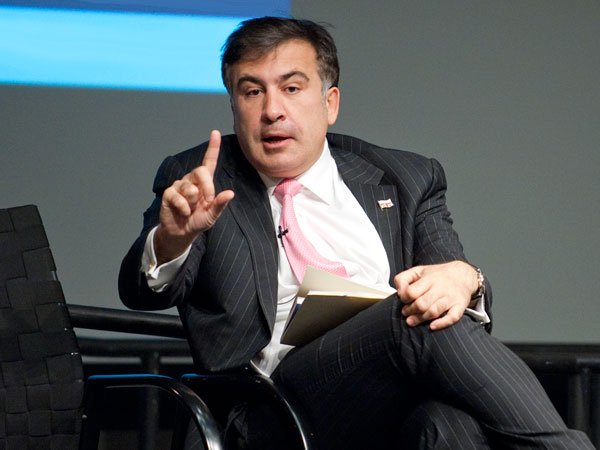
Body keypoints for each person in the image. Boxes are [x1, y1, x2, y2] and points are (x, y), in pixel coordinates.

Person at [119, 17, 594, 449]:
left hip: (392, 401)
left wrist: (467, 277)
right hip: (270, 409)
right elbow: (141, 290)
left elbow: (448, 291)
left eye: (291, 88)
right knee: (409, 319)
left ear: (330, 103)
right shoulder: (200, 178)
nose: (272, 110)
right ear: (234, 105)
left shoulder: (406, 178)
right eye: (252, 92)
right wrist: (173, 239)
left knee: (448, 425)